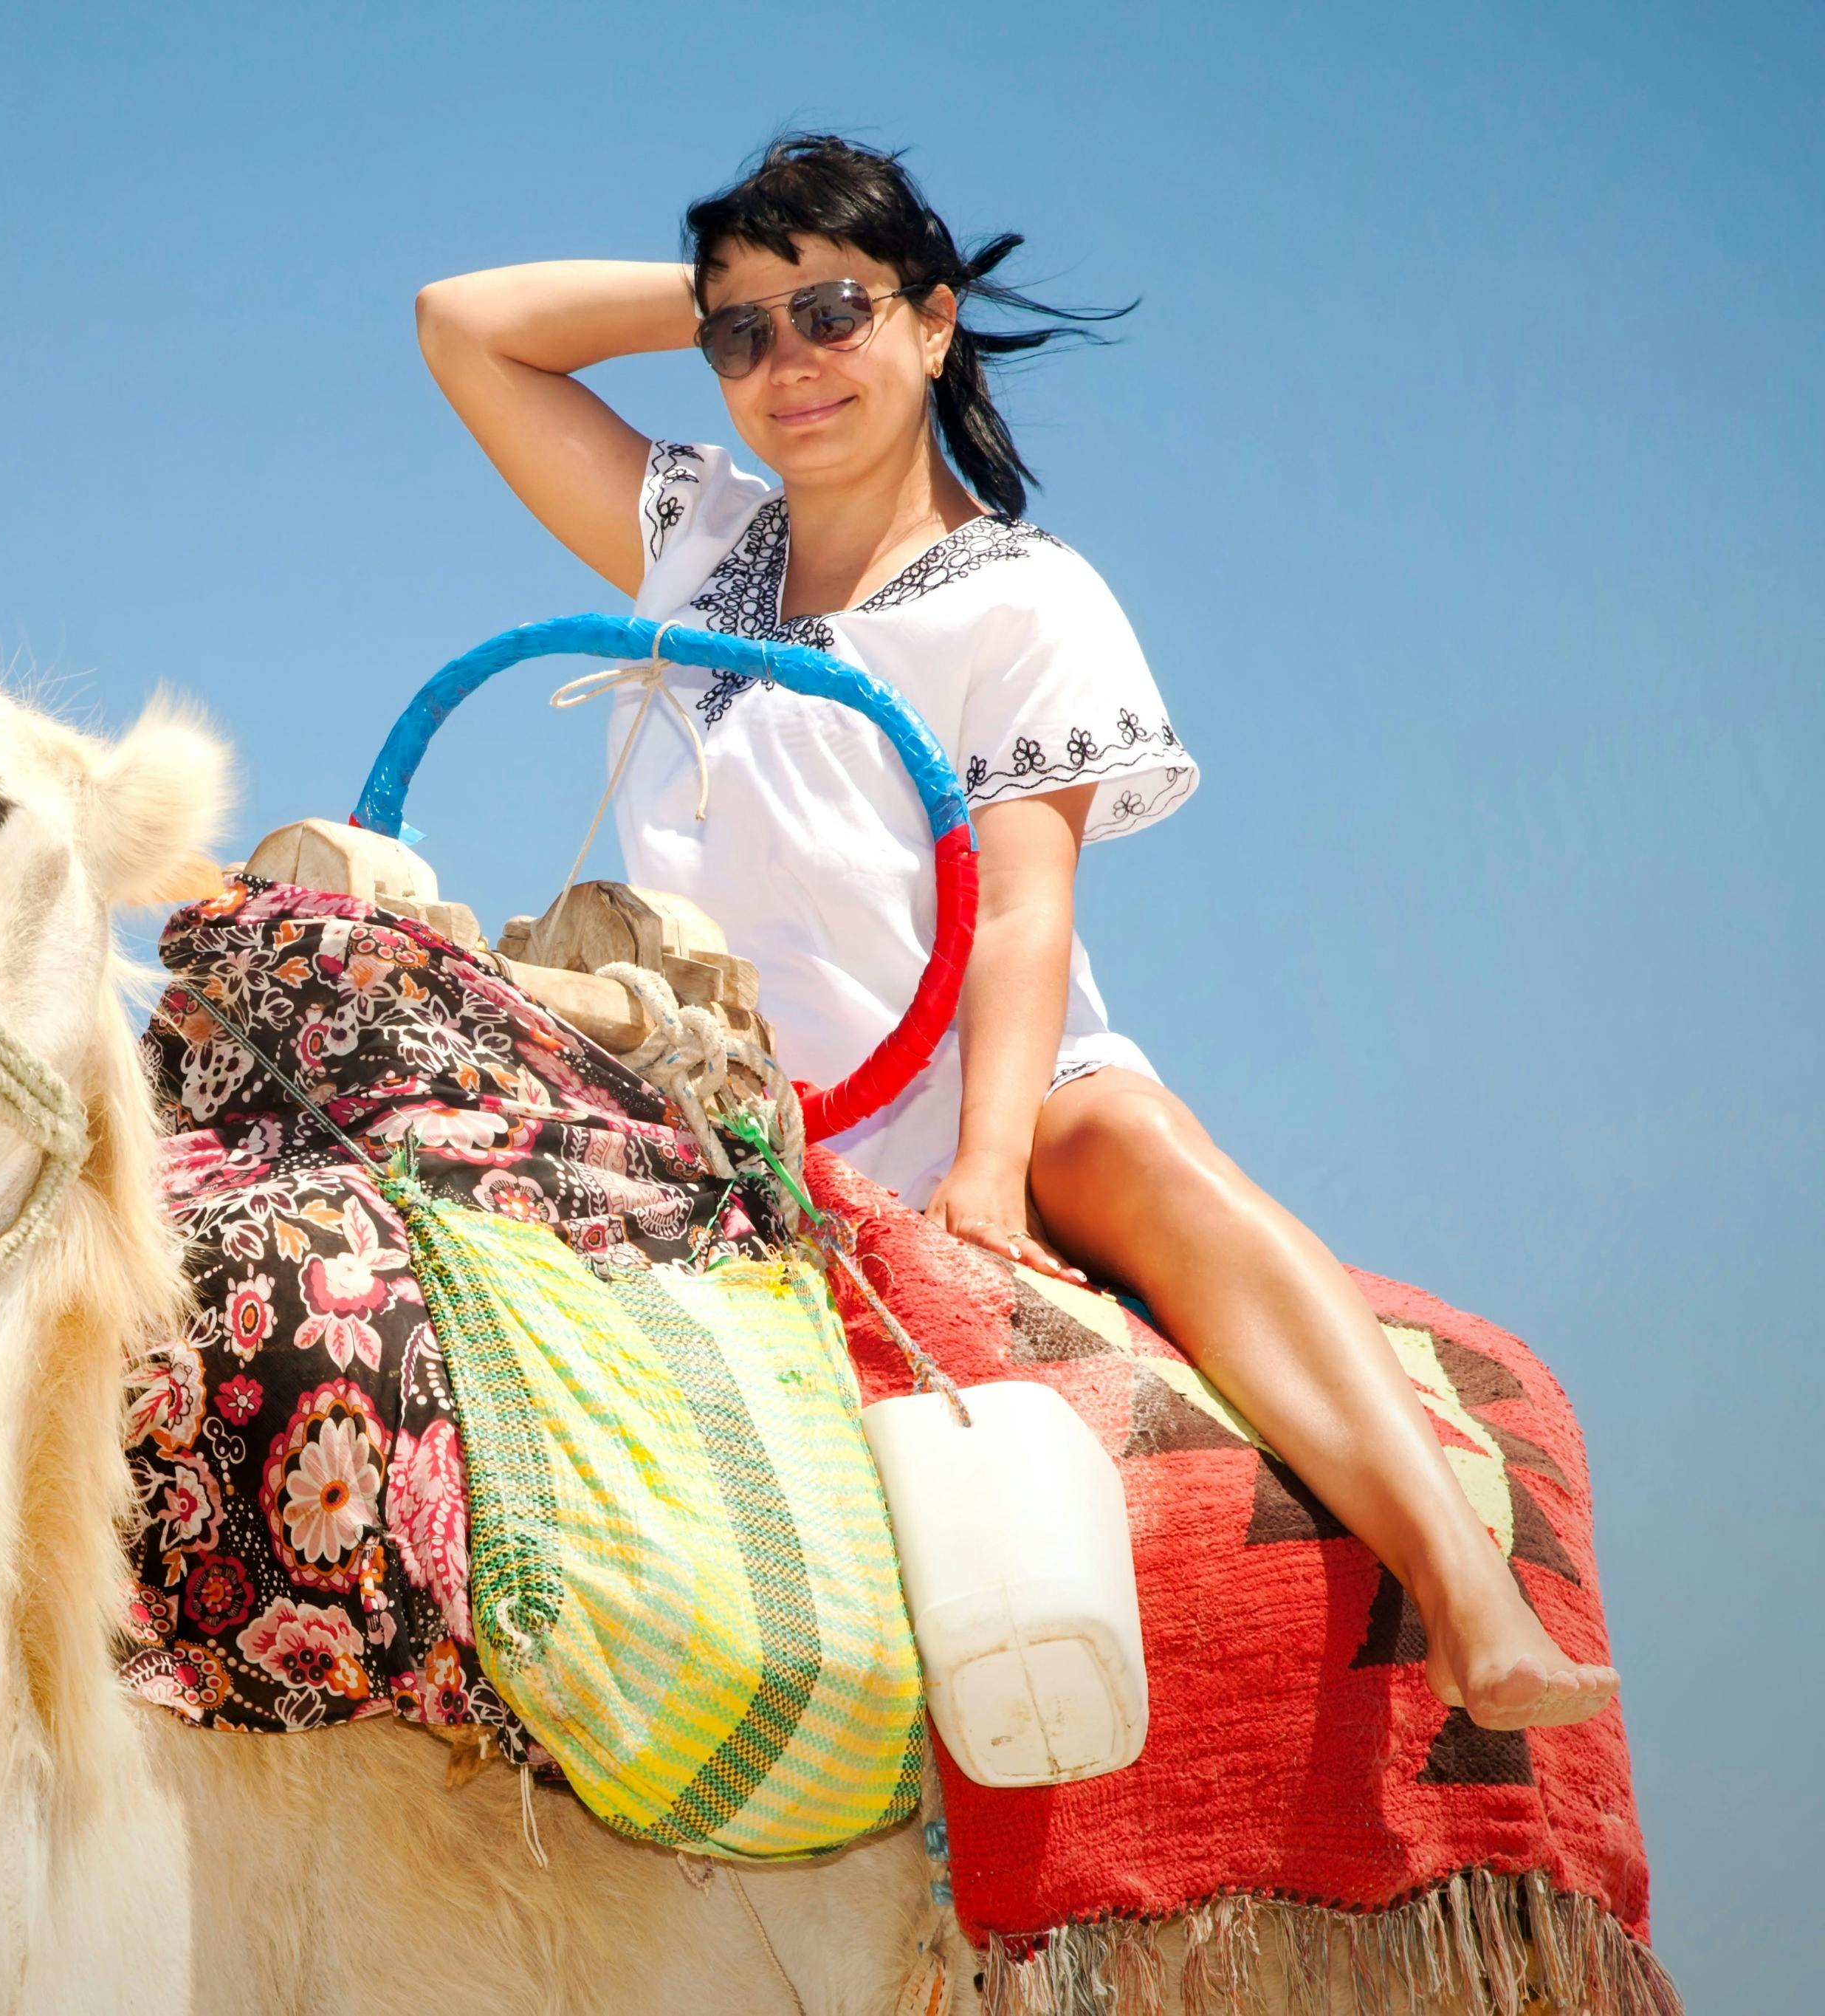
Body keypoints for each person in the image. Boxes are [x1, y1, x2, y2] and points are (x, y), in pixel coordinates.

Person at [415, 132, 1615, 1732]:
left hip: (991, 1081)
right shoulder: (694, 544)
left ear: (932, 323)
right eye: (740, 336)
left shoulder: (1024, 597)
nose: (785, 364)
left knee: (1121, 1139)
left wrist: (984, 1168)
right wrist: (750, 275)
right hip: (720, 1111)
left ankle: (1468, 1597)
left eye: (834, 317)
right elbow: (462, 323)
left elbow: (1024, 907)